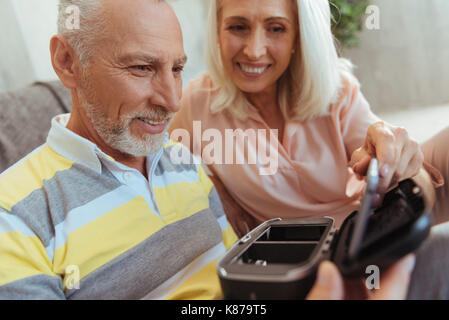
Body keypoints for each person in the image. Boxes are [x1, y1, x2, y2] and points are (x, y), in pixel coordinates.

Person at [0, 0, 421, 300]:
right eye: (142, 67)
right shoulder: (14, 215)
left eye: (177, 69)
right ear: (67, 61)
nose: (172, 100)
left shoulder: (185, 162)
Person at [170, 0, 442, 237]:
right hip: (292, 260)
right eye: (238, 27)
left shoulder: (338, 91)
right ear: (217, 30)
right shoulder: (196, 101)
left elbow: (372, 151)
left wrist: (390, 154)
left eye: (276, 28)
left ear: (298, 36)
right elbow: (160, 163)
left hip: (361, 234)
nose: (254, 50)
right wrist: (212, 187)